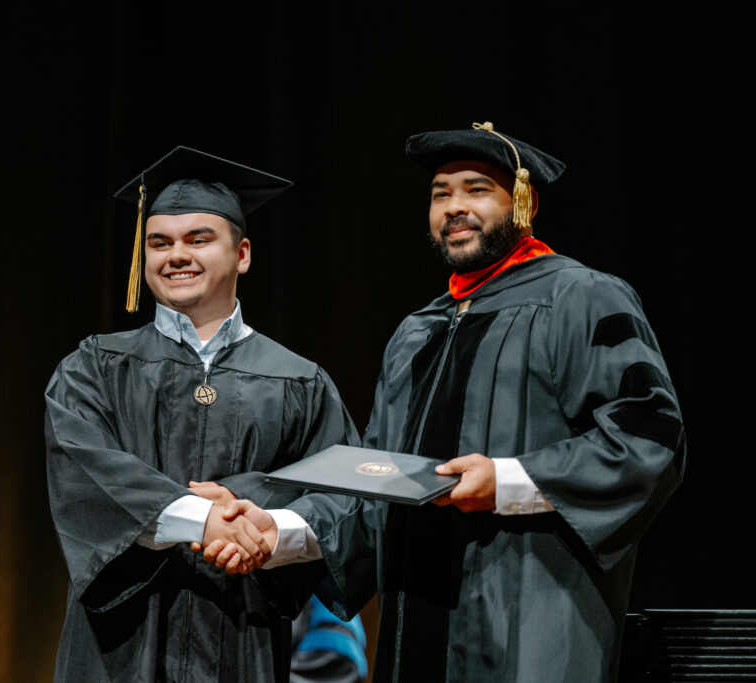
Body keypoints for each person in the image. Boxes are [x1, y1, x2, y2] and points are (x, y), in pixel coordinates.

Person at [207, 122, 686, 682]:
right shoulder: (419, 332)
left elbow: (649, 437)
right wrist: (280, 528)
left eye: (476, 189)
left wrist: (506, 482)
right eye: (441, 194)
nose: (455, 207)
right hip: (417, 628)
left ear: (523, 202)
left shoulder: (580, 297)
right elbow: (378, 483)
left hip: (531, 622)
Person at [44, 146, 359, 683]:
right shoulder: (93, 367)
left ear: (242, 254)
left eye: (198, 239)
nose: (175, 256)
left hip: (244, 635)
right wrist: (206, 517)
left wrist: (268, 527)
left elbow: (347, 494)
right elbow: (86, 474)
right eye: (159, 242)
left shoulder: (300, 381)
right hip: (120, 644)